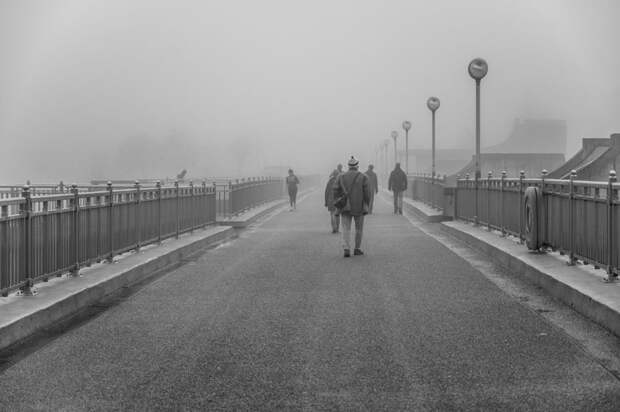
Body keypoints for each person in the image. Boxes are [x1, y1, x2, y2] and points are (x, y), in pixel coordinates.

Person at [333, 156, 370, 257]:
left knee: (346, 228)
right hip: (359, 206)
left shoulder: (341, 176)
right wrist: (367, 204)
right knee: (359, 229)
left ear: (348, 166)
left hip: (345, 206)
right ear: (357, 166)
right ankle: (357, 248)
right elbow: (367, 194)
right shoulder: (363, 177)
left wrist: (338, 200)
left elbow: (335, 189)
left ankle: (346, 248)